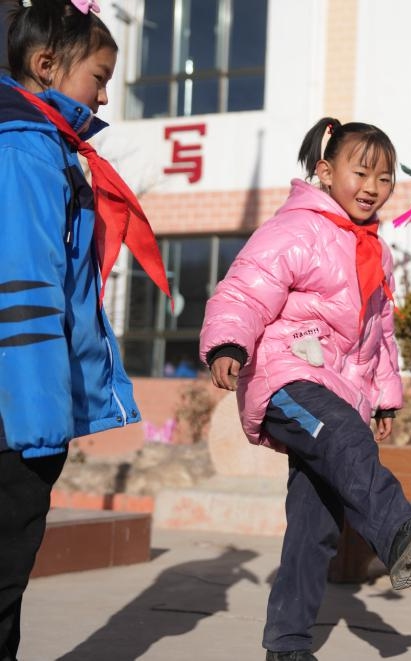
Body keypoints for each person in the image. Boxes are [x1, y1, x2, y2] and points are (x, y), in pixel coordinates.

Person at [199, 117, 411, 661]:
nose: (372, 187)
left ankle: (287, 646)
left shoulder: (374, 250)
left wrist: (386, 393)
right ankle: (396, 534)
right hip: (284, 375)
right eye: (360, 172)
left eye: (384, 179)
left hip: (336, 387)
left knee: (315, 526)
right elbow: (245, 288)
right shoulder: (295, 229)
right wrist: (227, 343)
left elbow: (377, 332)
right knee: (343, 434)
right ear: (325, 170)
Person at [0, 2, 171, 659]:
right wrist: (42, 422)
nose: (104, 95)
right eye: (98, 78)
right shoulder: (26, 146)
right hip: (17, 406)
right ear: (46, 65)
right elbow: (26, 284)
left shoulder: (44, 142)